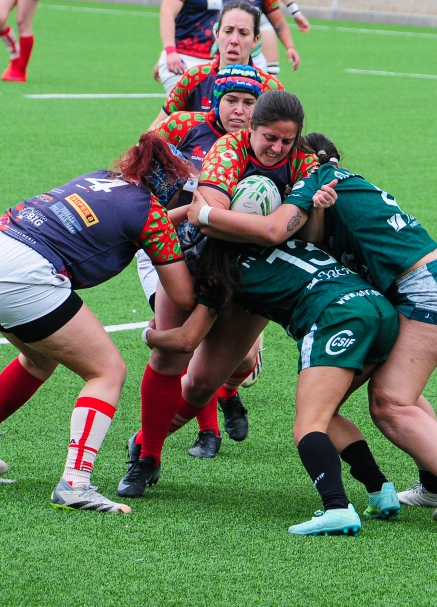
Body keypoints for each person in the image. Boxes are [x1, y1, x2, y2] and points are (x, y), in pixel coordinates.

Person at [187, 134, 437, 523]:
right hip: (432, 279)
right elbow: (315, 236)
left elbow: (272, 229)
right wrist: (316, 214)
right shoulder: (329, 186)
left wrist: (200, 215)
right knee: (400, 395)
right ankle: (435, 483)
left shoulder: (315, 177)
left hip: (426, 287)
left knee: (390, 402)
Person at [0, 134, 196, 513]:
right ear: (169, 186)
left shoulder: (104, 178)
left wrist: (185, 214)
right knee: (107, 371)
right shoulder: (150, 214)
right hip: (20, 273)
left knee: (39, 359)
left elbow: (138, 219)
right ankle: (75, 484)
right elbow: (182, 297)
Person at [118, 90, 318, 498]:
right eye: (269, 138)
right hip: (194, 260)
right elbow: (206, 225)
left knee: (202, 385)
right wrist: (271, 227)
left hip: (254, 278)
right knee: (170, 356)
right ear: (253, 130)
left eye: (286, 141)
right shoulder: (228, 148)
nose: (277, 148)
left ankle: (144, 437)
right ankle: (147, 460)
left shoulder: (305, 161)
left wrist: (225, 217)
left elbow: (305, 233)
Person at [146, 235, 402, 535]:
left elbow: (186, 339)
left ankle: (337, 508)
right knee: (326, 413)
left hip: (336, 316)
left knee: (309, 423)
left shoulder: (216, 266)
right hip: (378, 308)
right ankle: (380, 489)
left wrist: (149, 335)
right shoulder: (281, 234)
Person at [147, 63, 267, 459]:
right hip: (170, 250)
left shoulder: (264, 147)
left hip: (228, 259)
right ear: (216, 100)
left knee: (243, 359)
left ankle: (227, 393)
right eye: (231, 100)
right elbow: (141, 162)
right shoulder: (182, 126)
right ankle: (166, 448)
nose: (239, 110)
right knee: (180, 347)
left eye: (249, 103)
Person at [148, 0, 283, 130]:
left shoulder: (270, 88)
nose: (234, 40)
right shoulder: (194, 77)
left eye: (243, 33)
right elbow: (158, 126)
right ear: (217, 35)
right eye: (228, 31)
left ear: (255, 40)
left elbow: (285, 141)